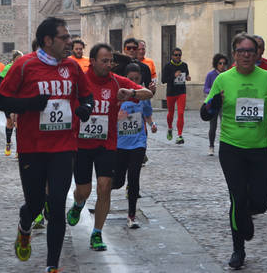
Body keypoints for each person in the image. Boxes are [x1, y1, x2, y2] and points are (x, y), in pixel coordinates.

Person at [0, 17, 94, 273]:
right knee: (36, 203)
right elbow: (1, 100)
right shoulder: (25, 65)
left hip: (63, 146)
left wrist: (85, 108)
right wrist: (30, 104)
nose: (70, 42)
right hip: (32, 147)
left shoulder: (72, 67)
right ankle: (24, 224)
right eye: (64, 37)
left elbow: (87, 95)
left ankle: (53, 265)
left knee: (57, 204)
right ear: (48, 41)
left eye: (70, 37)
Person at [200, 32, 267, 270]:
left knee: (260, 201)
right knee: (237, 198)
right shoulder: (223, 79)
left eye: (250, 51)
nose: (246, 55)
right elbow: (206, 113)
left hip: (259, 148)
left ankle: (246, 214)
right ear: (234, 54)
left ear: (257, 54)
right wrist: (213, 105)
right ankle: (238, 250)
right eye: (241, 51)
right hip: (231, 148)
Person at [66, 43, 152, 252]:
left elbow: (148, 93)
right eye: (104, 61)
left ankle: (96, 234)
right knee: (84, 190)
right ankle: (78, 205)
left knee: (105, 187)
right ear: (92, 61)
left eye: (110, 61)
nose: (108, 65)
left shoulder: (116, 82)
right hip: (82, 143)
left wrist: (130, 92)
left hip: (107, 143)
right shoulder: (80, 80)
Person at [112, 63, 157, 229]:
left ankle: (132, 215)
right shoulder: (117, 96)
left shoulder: (142, 95)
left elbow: (147, 114)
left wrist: (152, 124)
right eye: (130, 79)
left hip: (138, 143)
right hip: (120, 144)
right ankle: (104, 192)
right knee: (118, 181)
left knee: (134, 178)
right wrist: (117, 117)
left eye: (137, 79)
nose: (133, 82)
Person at [161, 47, 190, 144]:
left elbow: (186, 75)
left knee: (181, 113)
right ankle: (170, 128)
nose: (178, 57)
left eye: (179, 55)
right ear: (172, 56)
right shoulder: (168, 66)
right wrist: (174, 75)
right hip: (171, 92)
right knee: (171, 113)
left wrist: (187, 77)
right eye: (176, 55)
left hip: (181, 92)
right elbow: (163, 80)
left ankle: (179, 135)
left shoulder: (184, 65)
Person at [0, 50, 24, 156]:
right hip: (9, 99)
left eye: (21, 59)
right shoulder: (8, 68)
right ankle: (8, 143)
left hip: (20, 99)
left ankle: (19, 149)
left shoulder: (25, 68)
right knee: (10, 122)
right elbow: (0, 83)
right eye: (18, 60)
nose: (20, 62)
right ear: (13, 60)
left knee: (18, 122)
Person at [204, 53, 228, 156]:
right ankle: (211, 146)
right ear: (216, 64)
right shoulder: (211, 75)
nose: (222, 65)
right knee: (213, 126)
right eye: (220, 63)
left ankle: (225, 146)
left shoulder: (227, 75)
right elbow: (205, 88)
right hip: (213, 103)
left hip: (225, 103)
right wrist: (215, 91)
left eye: (224, 63)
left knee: (225, 125)